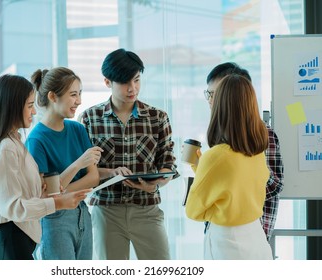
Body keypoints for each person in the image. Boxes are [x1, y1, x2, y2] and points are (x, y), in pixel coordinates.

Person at [78, 48, 178, 260]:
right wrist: (111, 172)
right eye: (125, 83)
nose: (132, 88)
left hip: (147, 208)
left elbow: (168, 162)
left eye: (137, 80)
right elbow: (83, 171)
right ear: (108, 82)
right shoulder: (89, 118)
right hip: (107, 211)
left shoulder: (157, 117)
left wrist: (156, 183)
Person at [0, 74, 90, 260]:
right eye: (30, 106)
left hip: (15, 239)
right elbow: (12, 207)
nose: (34, 112)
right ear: (13, 107)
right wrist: (58, 202)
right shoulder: (6, 149)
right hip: (8, 241)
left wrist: (43, 192)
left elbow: (21, 196)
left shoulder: (14, 144)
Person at [185, 73, 273, 260]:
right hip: (256, 238)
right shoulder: (257, 151)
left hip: (227, 243)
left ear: (221, 106)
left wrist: (217, 209)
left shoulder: (216, 156)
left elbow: (193, 211)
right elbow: (232, 184)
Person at [25, 67, 103, 260]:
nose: (79, 101)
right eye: (73, 95)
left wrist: (62, 192)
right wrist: (78, 164)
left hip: (82, 213)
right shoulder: (37, 140)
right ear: (53, 96)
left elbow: (93, 177)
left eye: (80, 94)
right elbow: (45, 194)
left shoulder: (77, 129)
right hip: (54, 219)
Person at [204, 62, 284, 241]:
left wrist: (241, 177)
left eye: (215, 93)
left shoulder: (262, 133)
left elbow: (275, 184)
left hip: (250, 232)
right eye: (208, 94)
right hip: (220, 229)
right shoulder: (220, 133)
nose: (210, 100)